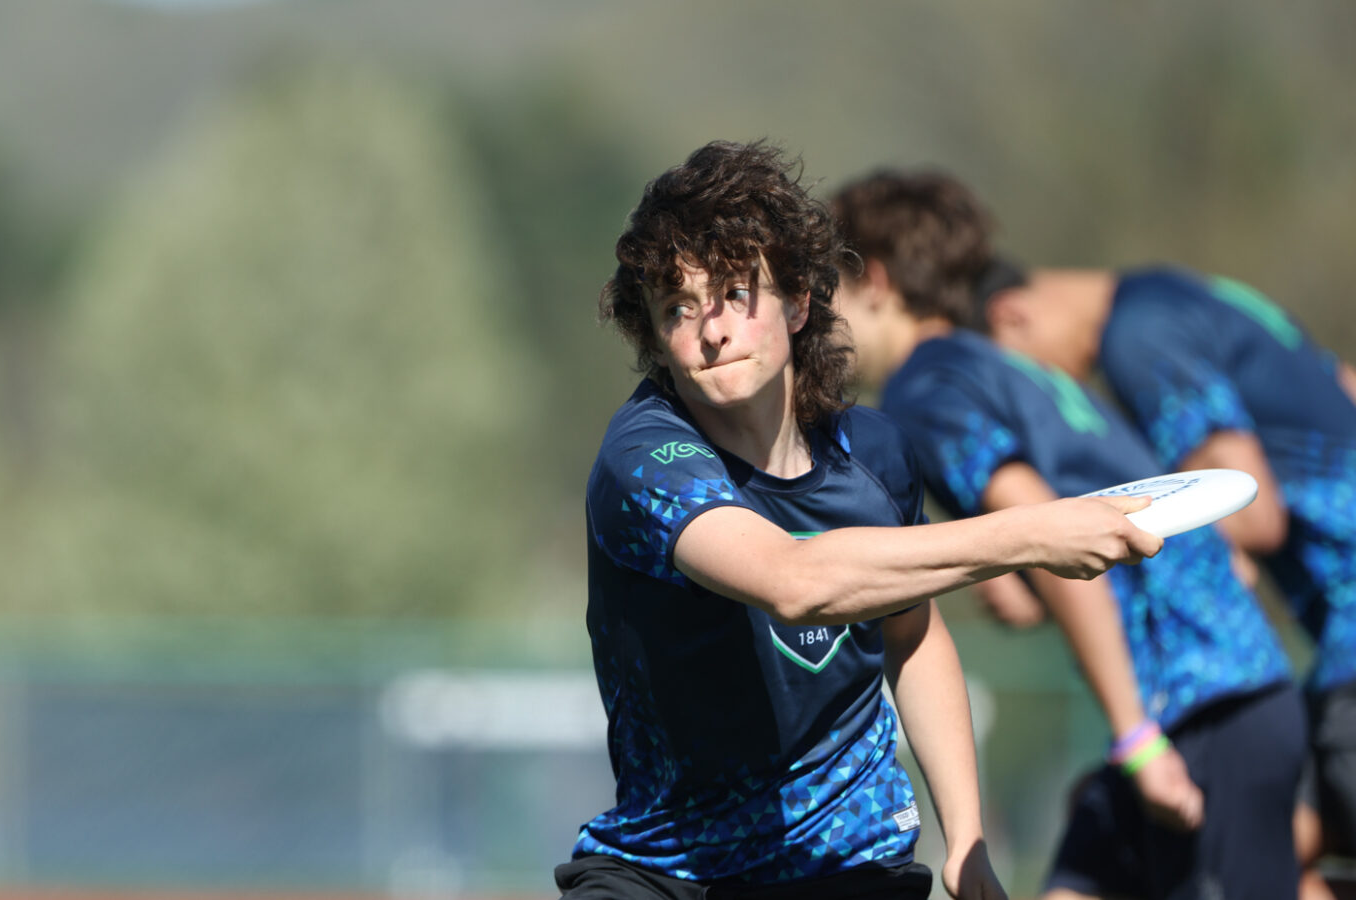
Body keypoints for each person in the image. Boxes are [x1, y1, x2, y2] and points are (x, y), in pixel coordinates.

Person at [562, 141, 1165, 900]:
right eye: (678, 309)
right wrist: (1035, 535)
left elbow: (912, 636)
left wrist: (967, 835)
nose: (710, 330)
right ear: (655, 339)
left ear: (799, 301)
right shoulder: (643, 457)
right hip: (664, 872)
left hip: (847, 865)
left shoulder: (876, 455)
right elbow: (794, 581)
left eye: (735, 294)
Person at [828, 168, 1303, 900]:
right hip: (1223, 683)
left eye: (824, 291)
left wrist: (1137, 741)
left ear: (876, 280)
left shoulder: (925, 390)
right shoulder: (1009, 369)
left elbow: (1047, 531)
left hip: (1203, 706)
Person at [972, 249, 1356, 897]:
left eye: (1023, 380)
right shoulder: (1189, 293)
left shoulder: (1137, 335)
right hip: (1336, 664)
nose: (1049, 401)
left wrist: (1084, 547)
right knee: (1263, 849)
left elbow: (1254, 512)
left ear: (1013, 317)